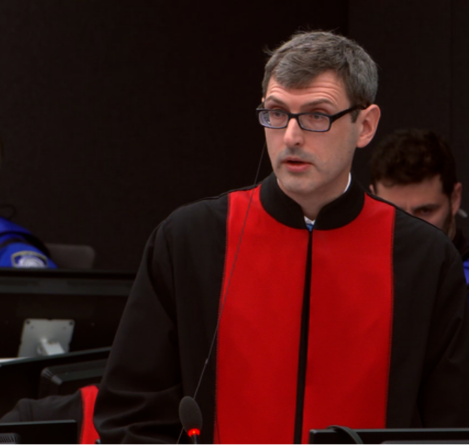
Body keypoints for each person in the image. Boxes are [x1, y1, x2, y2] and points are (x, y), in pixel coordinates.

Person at [94, 31, 469, 443]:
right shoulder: (189, 240)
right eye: (276, 112)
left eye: (316, 115)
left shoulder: (425, 259)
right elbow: (131, 415)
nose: (291, 136)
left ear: (365, 126)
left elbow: (450, 425)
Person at [369, 128, 469, 283]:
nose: (409, 229)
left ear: (454, 199)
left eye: (425, 211)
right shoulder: (351, 273)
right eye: (394, 212)